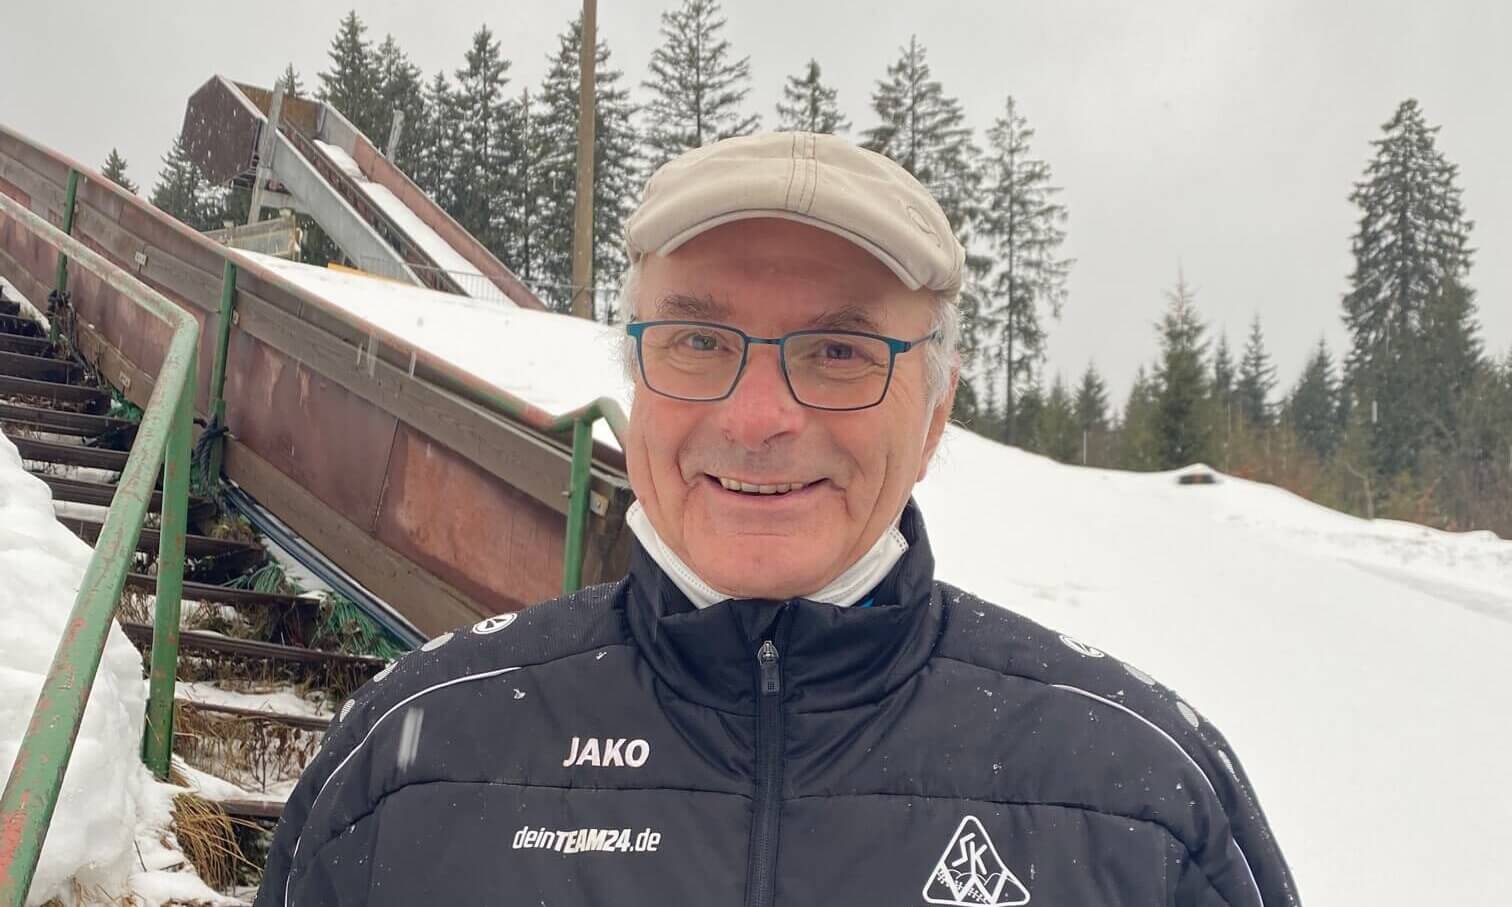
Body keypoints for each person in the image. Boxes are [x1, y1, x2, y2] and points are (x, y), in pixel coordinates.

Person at [256, 132, 1299, 906]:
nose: (758, 418)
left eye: (840, 351)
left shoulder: (1139, 797)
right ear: (636, 375)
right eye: (699, 341)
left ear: (936, 411)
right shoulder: (413, 761)